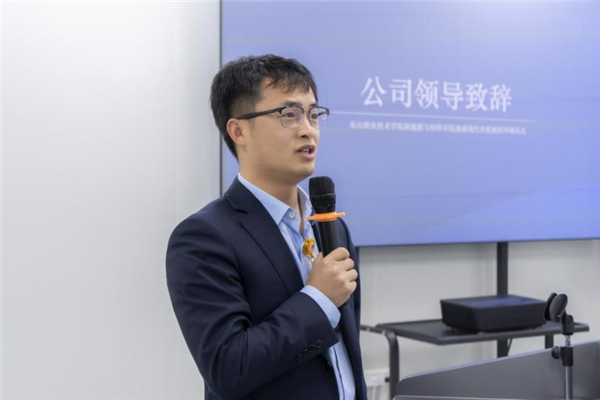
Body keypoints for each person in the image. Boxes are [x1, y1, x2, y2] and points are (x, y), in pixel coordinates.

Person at [166, 54, 367, 400]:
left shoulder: (331, 227)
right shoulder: (204, 237)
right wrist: (318, 299)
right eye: (289, 114)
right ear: (238, 130)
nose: (307, 129)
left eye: (313, 114)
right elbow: (228, 368)